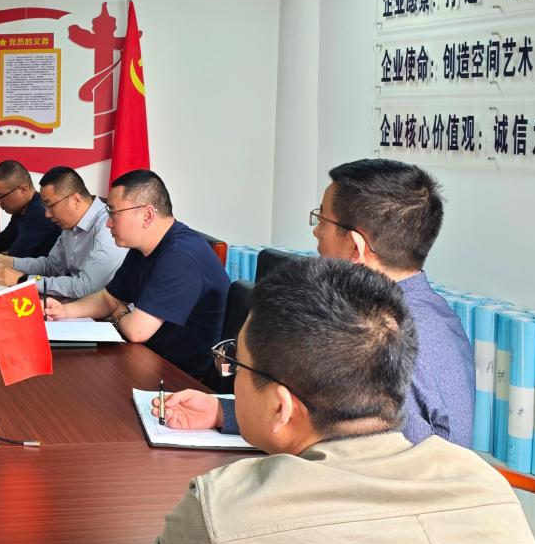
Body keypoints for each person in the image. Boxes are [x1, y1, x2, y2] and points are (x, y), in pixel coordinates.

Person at [120, 256, 535, 544]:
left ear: (281, 407)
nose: (230, 376)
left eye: (235, 364)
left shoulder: (229, 511)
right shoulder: (483, 482)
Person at [155, 159, 474, 446]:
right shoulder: (430, 312)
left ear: (355, 246)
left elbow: (379, 459)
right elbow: (331, 418)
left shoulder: (380, 334)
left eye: (322, 219)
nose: (317, 233)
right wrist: (223, 412)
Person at [45, 169, 229, 384]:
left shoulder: (180, 256)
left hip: (183, 379)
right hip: (150, 360)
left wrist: (119, 313)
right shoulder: (142, 248)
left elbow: (136, 330)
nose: (108, 223)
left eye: (113, 213)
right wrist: (64, 311)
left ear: (147, 215)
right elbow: (109, 298)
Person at [0, 166, 125, 297]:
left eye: (51, 206)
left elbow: (86, 287)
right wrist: (8, 261)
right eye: (45, 207)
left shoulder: (107, 226)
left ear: (75, 199)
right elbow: (52, 266)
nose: (47, 214)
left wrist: (23, 280)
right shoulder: (70, 223)